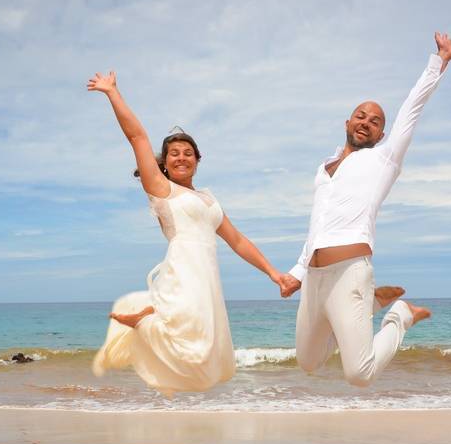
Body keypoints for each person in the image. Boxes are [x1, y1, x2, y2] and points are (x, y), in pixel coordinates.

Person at [87, 71, 297, 395]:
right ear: (166, 164)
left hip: (207, 275)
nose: (181, 157)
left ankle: (146, 316)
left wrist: (274, 273)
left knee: (207, 361)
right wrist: (112, 92)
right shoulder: (161, 188)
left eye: (188, 153)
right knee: (191, 347)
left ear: (197, 161)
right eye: (174, 154)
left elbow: (238, 240)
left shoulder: (209, 199)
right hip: (183, 266)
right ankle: (144, 321)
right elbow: (138, 138)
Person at [281, 32, 451, 387]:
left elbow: (412, 107)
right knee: (308, 362)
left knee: (358, 373)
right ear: (347, 123)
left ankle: (401, 316)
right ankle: (372, 305)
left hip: (350, 271)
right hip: (314, 279)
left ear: (380, 133)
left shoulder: (384, 159)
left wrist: (438, 62)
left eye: (375, 120)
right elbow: (317, 225)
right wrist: (297, 273)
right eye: (360, 116)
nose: (366, 121)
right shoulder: (325, 167)